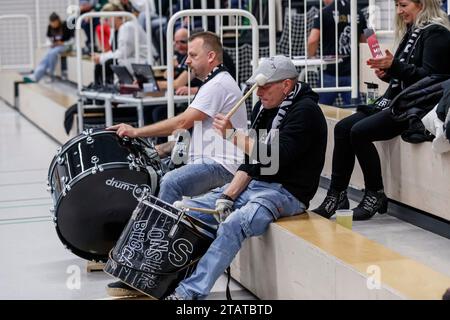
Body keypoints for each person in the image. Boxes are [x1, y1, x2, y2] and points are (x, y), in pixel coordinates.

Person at [157, 55, 327, 300]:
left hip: (288, 193)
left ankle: (189, 292)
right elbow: (252, 162)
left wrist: (232, 135)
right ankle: (160, 277)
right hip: (257, 184)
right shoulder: (265, 107)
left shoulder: (306, 112)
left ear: (286, 85)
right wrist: (227, 195)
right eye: (257, 88)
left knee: (234, 223)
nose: (258, 93)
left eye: (265, 87)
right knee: (188, 213)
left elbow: (272, 157)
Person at [106, 31, 247, 297]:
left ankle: (147, 269)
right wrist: (158, 150)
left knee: (172, 181)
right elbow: (191, 133)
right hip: (209, 161)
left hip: (224, 166)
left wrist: (136, 132)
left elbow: (183, 122)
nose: (187, 61)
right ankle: (138, 255)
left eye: (193, 55)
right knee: (162, 175)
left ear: (211, 56)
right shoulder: (211, 83)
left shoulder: (218, 85)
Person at [313, 0, 450, 220]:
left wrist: (394, 67)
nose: (399, 11)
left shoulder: (437, 34)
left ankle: (374, 193)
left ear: (422, 4)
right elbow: (409, 75)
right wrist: (389, 73)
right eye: (396, 5)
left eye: (403, 5)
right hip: (398, 100)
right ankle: (337, 194)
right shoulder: (414, 30)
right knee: (342, 127)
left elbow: (430, 80)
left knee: (359, 131)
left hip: (416, 108)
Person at [307, 0, 367, 106]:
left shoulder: (324, 12)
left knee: (322, 111)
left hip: (330, 71)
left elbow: (313, 40)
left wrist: (311, 56)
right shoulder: (357, 12)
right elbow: (364, 41)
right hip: (351, 72)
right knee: (354, 112)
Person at [92, 0, 149, 86]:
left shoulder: (128, 26)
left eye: (107, 19)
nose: (106, 22)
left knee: (110, 62)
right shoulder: (115, 30)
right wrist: (101, 57)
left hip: (141, 61)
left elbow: (123, 53)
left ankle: (106, 89)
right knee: (100, 65)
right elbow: (117, 52)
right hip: (128, 60)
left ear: (116, 16)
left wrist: (101, 58)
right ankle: (99, 89)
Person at [23, 13, 74, 83]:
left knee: (52, 53)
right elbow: (48, 39)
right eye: (52, 23)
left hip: (66, 46)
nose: (53, 25)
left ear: (58, 20)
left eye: (54, 23)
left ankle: (50, 74)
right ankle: (35, 76)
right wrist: (51, 44)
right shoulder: (50, 27)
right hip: (55, 46)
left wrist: (63, 43)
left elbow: (72, 40)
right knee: (46, 56)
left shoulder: (65, 25)